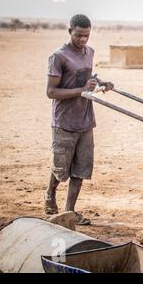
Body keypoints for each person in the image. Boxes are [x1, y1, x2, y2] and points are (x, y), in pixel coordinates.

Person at [44, 14, 113, 225]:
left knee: (80, 169)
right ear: (70, 31)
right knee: (61, 167)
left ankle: (69, 213)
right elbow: (51, 91)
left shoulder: (89, 52)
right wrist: (81, 90)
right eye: (79, 35)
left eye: (87, 35)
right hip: (64, 121)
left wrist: (100, 83)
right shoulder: (59, 57)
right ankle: (50, 194)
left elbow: (86, 79)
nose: (83, 39)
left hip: (85, 119)